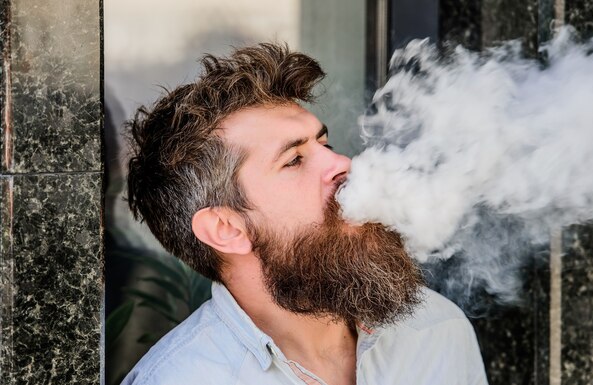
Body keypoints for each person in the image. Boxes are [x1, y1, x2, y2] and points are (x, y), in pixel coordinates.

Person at [121, 43, 488, 385]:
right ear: (227, 228)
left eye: (325, 144)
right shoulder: (181, 378)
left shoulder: (437, 330)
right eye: (294, 160)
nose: (342, 163)